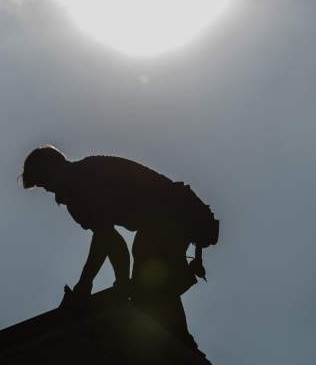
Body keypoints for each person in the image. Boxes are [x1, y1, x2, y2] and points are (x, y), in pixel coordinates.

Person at [18, 145, 219, 351]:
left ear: (58, 166)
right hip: (155, 222)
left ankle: (181, 345)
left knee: (148, 266)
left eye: (46, 181)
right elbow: (113, 242)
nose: (48, 189)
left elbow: (104, 234)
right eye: (42, 186)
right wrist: (122, 282)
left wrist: (85, 284)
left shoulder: (90, 174)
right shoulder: (73, 203)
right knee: (145, 282)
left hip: (176, 211)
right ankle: (179, 342)